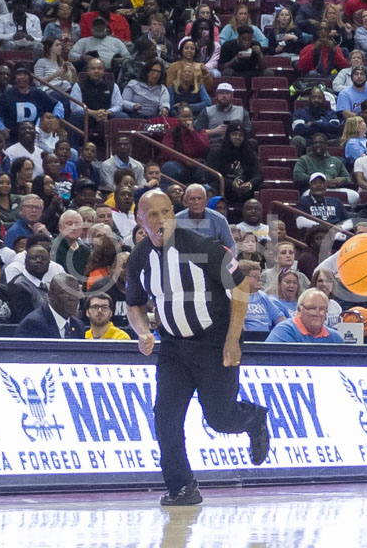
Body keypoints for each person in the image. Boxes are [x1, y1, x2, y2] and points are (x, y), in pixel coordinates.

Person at [126, 190, 270, 506]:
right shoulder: (138, 259)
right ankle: (182, 487)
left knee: (220, 419)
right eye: (153, 214)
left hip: (214, 343)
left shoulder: (201, 247)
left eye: (167, 212)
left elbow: (242, 288)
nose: (162, 219)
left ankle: (255, 418)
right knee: (165, 418)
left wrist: (233, 340)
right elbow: (133, 304)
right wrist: (142, 332)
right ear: (140, 219)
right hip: (174, 348)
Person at [265, 288, 344, 343]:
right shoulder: (284, 331)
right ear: (299, 310)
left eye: (322, 309)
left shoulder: (335, 338)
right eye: (312, 308)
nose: (317, 313)